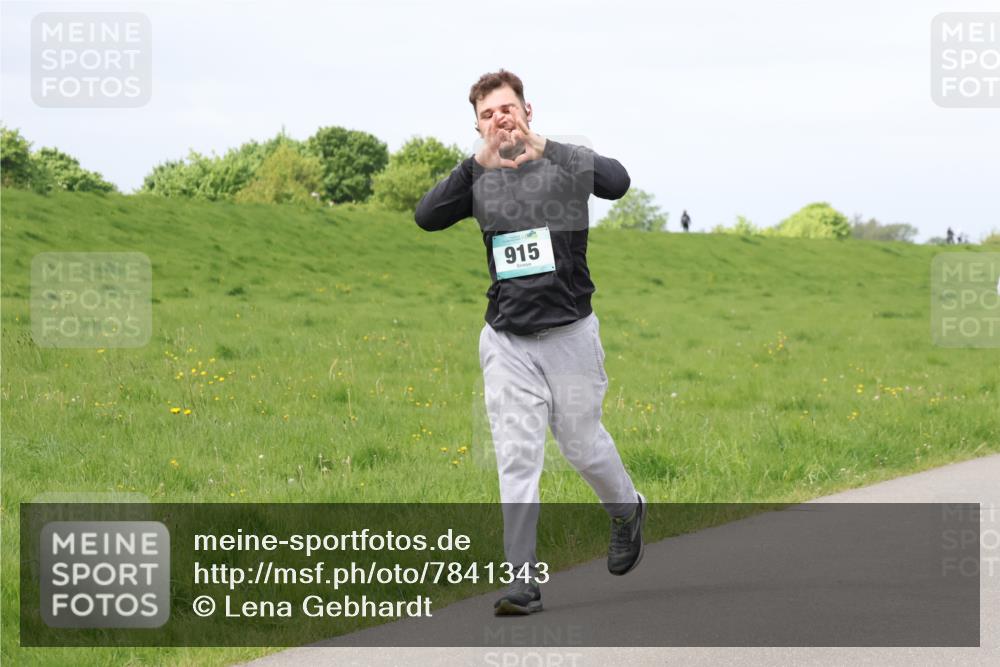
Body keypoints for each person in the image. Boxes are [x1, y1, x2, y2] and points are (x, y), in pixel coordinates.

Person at [414, 69, 646, 616]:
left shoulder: (563, 164)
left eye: (507, 108)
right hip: (507, 342)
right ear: (478, 125)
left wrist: (550, 148)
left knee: (582, 445)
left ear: (527, 110)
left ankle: (627, 510)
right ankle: (522, 581)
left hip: (569, 335)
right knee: (517, 458)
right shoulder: (478, 178)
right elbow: (426, 217)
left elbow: (618, 183)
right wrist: (474, 164)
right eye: (488, 114)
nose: (500, 118)